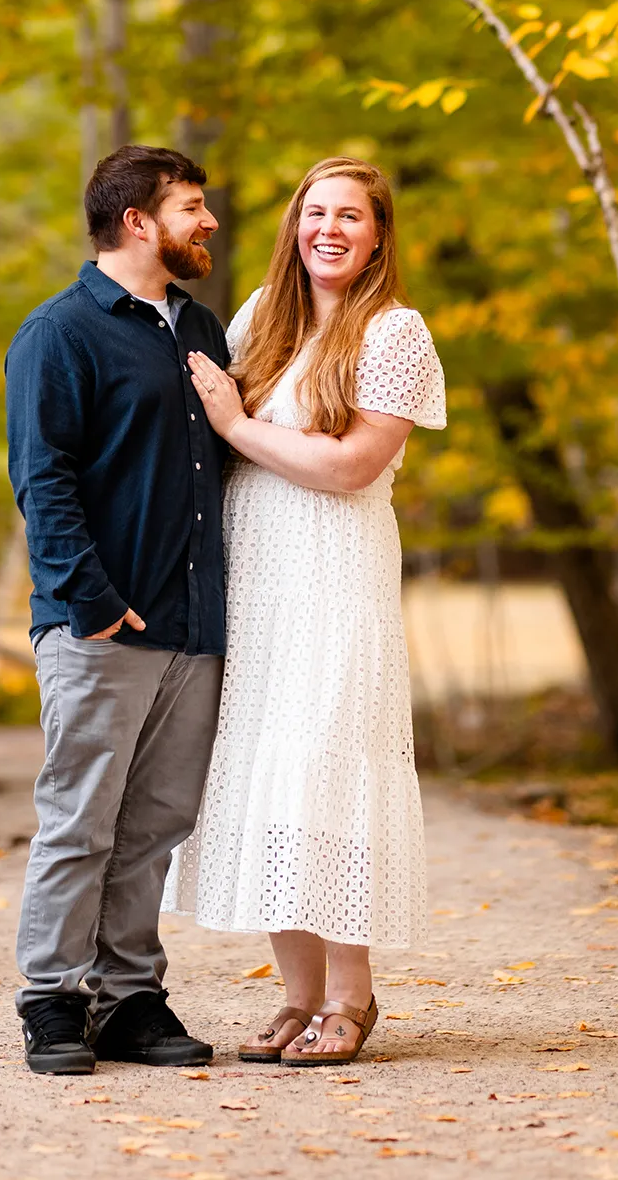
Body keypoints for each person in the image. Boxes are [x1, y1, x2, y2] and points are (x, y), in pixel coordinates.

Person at [169, 156, 446, 1068]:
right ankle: (296, 996)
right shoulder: (261, 318)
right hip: (252, 579)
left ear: (377, 237)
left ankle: (350, 998)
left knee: (328, 774)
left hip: (334, 579)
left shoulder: (396, 332)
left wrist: (237, 425)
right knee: (266, 781)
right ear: (295, 226)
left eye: (351, 217)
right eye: (314, 212)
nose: (330, 228)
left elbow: (352, 466)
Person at [6, 145, 230, 1075]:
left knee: (156, 825)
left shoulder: (202, 329)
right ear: (138, 222)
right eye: (191, 205)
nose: (207, 220)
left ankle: (130, 997)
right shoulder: (59, 334)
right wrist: (92, 602)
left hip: (194, 624)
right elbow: (42, 477)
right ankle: (53, 1000)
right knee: (81, 819)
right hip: (101, 625)